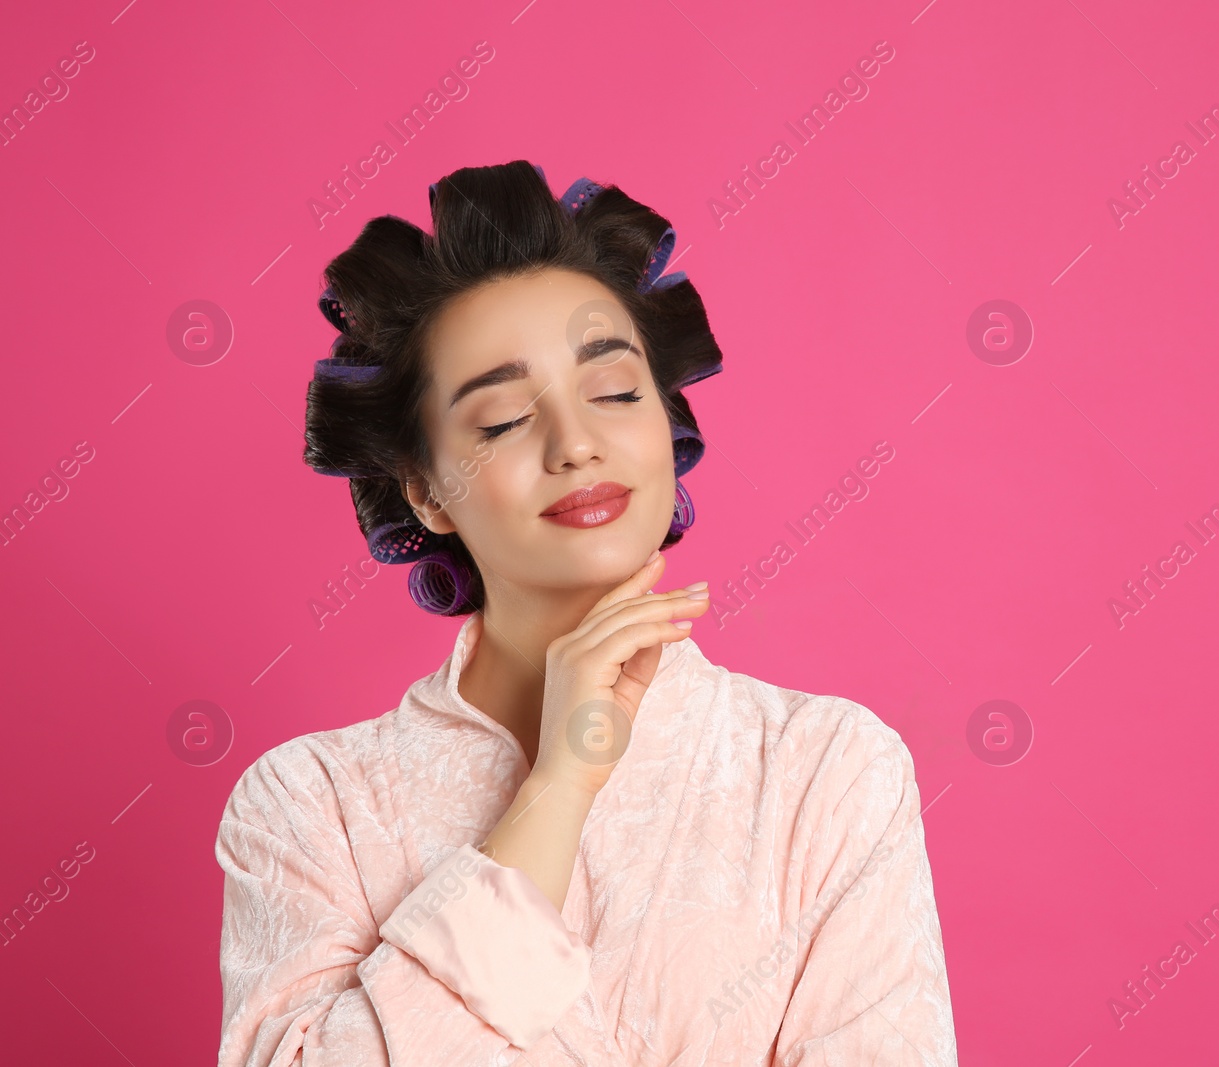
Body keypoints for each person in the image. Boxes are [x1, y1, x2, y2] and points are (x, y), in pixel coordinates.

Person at [214, 160, 958, 1065]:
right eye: (499, 421)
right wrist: (558, 786)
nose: (577, 444)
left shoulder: (825, 770)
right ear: (425, 491)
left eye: (614, 393)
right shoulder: (308, 804)